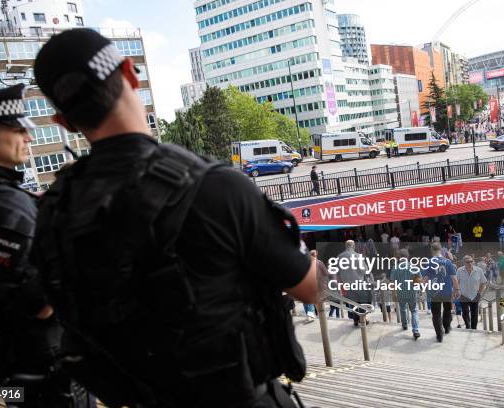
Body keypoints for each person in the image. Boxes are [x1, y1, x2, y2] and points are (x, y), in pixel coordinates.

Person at [32, 28, 318, 408]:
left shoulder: (53, 210)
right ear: (130, 74)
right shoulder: (216, 187)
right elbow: (310, 287)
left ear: (63, 121)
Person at [0, 85, 92, 407]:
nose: (28, 138)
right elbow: (41, 303)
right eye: (18, 130)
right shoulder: (3, 205)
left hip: (4, 368)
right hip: (45, 372)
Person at [423, 243, 460, 342]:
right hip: (447, 291)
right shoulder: (448, 262)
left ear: (432, 250)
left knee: (436, 314)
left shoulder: (429, 262)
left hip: (434, 292)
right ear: (440, 250)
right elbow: (454, 278)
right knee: (447, 310)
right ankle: (447, 327)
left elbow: (425, 279)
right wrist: (457, 290)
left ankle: (439, 335)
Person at [336, 240, 373, 327]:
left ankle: (355, 320)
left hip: (347, 284)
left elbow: (337, 272)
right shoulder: (357, 256)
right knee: (362, 302)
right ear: (353, 246)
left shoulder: (339, 256)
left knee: (353, 302)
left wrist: (339, 284)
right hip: (358, 282)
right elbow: (365, 270)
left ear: (346, 246)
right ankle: (362, 319)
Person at [390, 249, 421, 339]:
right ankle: (415, 330)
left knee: (402, 309)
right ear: (407, 257)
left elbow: (392, 283)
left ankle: (404, 324)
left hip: (401, 293)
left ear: (399, 258)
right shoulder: (413, 267)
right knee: (414, 311)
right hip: (412, 293)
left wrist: (393, 294)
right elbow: (419, 280)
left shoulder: (395, 268)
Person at [456, 255, 487, 330]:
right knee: (465, 312)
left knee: (474, 313)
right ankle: (467, 325)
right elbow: (457, 282)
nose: (470, 263)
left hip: (475, 295)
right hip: (463, 295)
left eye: (471, 261)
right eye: (467, 262)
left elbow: (483, 282)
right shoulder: (459, 270)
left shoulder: (479, 270)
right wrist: (457, 291)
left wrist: (479, 292)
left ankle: (474, 328)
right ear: (464, 263)